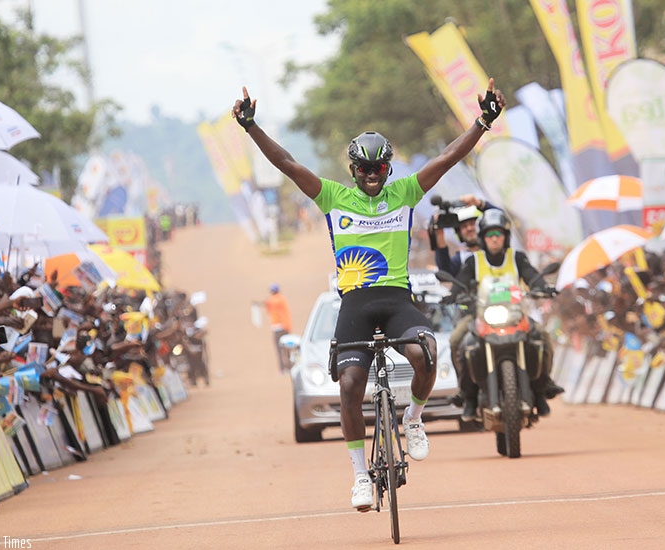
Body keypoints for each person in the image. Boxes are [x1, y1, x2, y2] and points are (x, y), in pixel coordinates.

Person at [233, 78, 506, 510]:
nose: (373, 175)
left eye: (380, 168)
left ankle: (413, 419)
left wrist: (483, 122)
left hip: (397, 300)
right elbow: (286, 163)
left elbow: (447, 158)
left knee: (427, 352)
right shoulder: (332, 197)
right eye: (365, 169)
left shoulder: (406, 192)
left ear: (389, 168)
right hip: (355, 305)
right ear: (353, 170)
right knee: (350, 386)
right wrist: (251, 127)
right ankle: (360, 475)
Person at [451, 209, 564, 419]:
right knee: (458, 340)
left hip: (515, 314)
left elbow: (532, 276)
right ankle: (468, 396)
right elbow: (460, 284)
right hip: (480, 315)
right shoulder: (474, 261)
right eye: (489, 234)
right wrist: (453, 294)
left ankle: (542, 388)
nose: (494, 238)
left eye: (498, 234)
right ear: (483, 237)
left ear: (506, 236)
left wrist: (543, 287)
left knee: (542, 336)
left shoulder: (517, 258)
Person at [432, 195, 500, 277]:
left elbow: (501, 218)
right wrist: (439, 233)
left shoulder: (496, 248)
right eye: (464, 226)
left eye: (472, 224)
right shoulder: (462, 258)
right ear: (459, 233)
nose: (469, 228)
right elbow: (445, 271)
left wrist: (480, 204)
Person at [263, 284, 292, 373]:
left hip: (277, 328)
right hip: (285, 326)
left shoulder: (272, 300)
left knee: (279, 349)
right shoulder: (282, 299)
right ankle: (289, 366)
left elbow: (269, 307)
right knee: (287, 349)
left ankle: (283, 368)